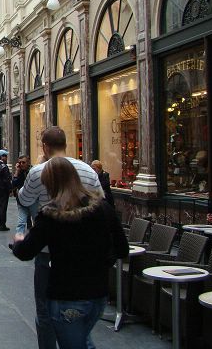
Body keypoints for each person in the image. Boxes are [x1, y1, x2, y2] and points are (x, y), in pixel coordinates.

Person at [12, 157, 129, 349]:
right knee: (82, 340)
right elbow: (122, 249)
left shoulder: (51, 215)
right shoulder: (103, 207)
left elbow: (25, 252)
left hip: (66, 297)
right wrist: (99, 262)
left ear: (50, 183)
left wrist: (19, 241)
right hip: (98, 296)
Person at [18, 126, 104, 349]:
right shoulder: (88, 170)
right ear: (66, 144)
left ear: (44, 147)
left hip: (48, 251)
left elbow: (24, 200)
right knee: (78, 307)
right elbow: (101, 202)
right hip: (84, 250)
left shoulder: (38, 171)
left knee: (45, 310)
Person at [12, 155, 33, 235]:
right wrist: (16, 172)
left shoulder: (33, 171)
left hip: (32, 199)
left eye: (23, 162)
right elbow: (13, 184)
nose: (21, 164)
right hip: (21, 199)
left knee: (35, 219)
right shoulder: (19, 172)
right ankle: (19, 239)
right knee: (21, 221)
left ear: (28, 162)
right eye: (19, 162)